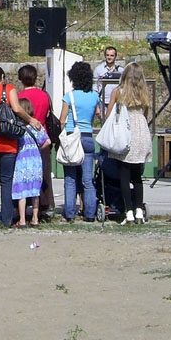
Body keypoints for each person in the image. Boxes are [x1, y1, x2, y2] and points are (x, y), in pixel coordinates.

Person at [0, 65, 41, 227]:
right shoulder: (8, 89)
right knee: (6, 180)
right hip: (7, 141)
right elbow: (16, 108)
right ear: (2, 77)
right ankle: (7, 218)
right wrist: (31, 120)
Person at [105, 62, 152, 225]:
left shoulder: (118, 92)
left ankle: (129, 212)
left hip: (125, 131)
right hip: (141, 130)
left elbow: (109, 113)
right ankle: (139, 211)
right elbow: (146, 113)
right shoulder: (144, 93)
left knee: (124, 175)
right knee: (137, 175)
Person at [58, 61, 100, 223]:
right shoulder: (94, 96)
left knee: (70, 179)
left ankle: (69, 214)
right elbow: (97, 114)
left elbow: (62, 120)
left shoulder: (69, 97)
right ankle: (90, 214)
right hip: (88, 137)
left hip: (72, 137)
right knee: (88, 180)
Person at [16, 64, 54, 216]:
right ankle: (44, 205)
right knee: (43, 173)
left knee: (22, 176)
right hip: (41, 137)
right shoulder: (44, 96)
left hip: (24, 140)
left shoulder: (19, 98)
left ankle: (22, 207)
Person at [12, 97, 49, 227]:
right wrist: (38, 148)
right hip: (35, 160)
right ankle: (35, 218)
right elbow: (47, 142)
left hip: (21, 160)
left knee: (21, 191)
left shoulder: (17, 128)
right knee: (34, 191)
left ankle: (22, 219)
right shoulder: (37, 125)